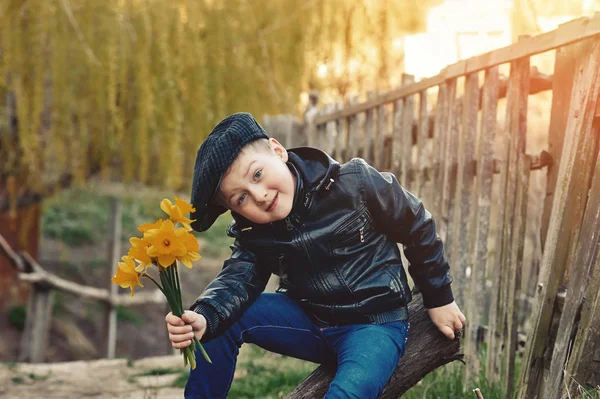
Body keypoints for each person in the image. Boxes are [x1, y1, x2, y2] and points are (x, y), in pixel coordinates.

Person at [165, 112, 465, 399]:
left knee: (350, 392)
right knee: (219, 323)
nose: (259, 195)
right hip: (310, 321)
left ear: (278, 151)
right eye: (241, 197)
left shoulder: (355, 183)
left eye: (257, 174)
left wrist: (439, 298)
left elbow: (417, 224)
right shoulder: (254, 231)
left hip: (374, 324)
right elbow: (237, 279)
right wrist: (205, 316)